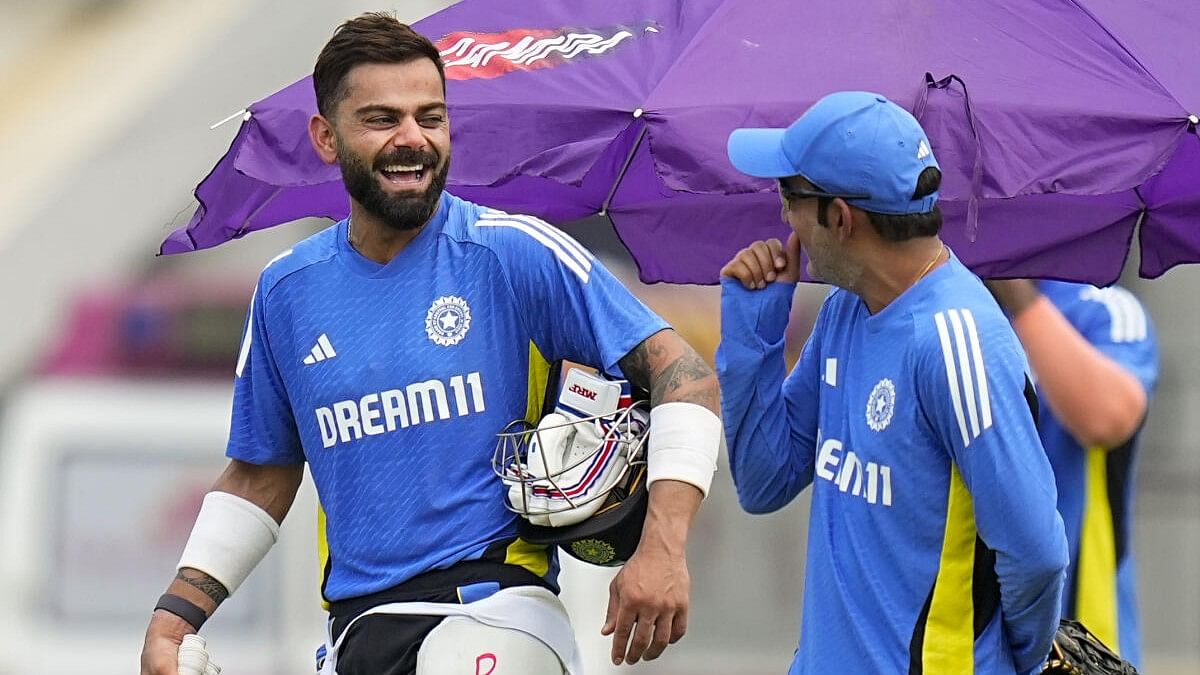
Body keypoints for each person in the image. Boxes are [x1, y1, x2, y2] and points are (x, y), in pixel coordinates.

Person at [139, 13, 722, 675]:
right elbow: (260, 472)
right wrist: (173, 619)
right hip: (358, 629)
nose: (412, 138)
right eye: (383, 118)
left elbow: (687, 377)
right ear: (326, 138)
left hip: (497, 609)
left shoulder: (512, 252)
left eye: (431, 117)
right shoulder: (286, 291)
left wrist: (663, 547)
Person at [716, 91, 1069, 674]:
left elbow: (1036, 552)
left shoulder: (959, 342)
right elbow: (764, 481)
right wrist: (754, 338)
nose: (782, 216)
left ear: (840, 217)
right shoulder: (844, 311)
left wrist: (1012, 662)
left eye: (789, 195)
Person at [988, 279, 1158, 667]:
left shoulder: (1103, 307)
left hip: (1081, 636)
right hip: (962, 629)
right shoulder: (939, 306)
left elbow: (1106, 417)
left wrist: (1017, 293)